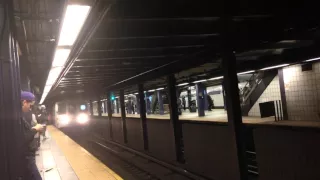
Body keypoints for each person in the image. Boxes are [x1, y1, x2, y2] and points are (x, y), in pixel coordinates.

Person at [21, 91, 44, 180]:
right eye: (30, 105)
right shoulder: (18, 117)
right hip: (26, 156)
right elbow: (23, 138)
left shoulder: (20, 115)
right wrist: (35, 129)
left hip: (26, 155)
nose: (30, 108)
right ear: (24, 102)